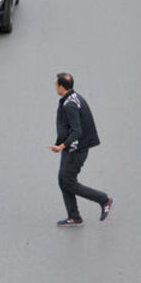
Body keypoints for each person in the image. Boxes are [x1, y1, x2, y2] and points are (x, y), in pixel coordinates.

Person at [49, 73, 113, 227]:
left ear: (62, 87)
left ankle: (103, 200)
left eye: (56, 84)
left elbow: (77, 131)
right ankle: (74, 216)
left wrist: (61, 146)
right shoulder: (73, 97)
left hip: (75, 150)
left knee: (68, 182)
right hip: (73, 147)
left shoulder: (70, 104)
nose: (55, 87)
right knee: (63, 181)